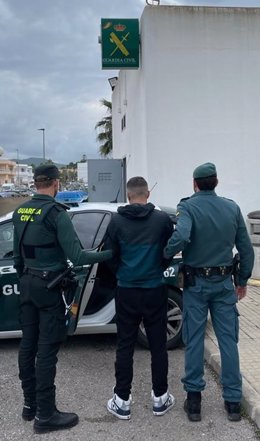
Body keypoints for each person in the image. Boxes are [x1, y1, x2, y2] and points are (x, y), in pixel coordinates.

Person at [12, 164, 112, 434]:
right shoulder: (57, 214)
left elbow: (17, 256)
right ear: (56, 184)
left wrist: (27, 278)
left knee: (27, 346)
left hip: (28, 285)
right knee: (46, 351)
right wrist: (108, 254)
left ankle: (30, 405)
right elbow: (78, 257)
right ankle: (46, 415)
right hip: (48, 289)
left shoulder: (21, 211)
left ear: (36, 183)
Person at [164, 162, 254, 422]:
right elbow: (246, 250)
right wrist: (243, 280)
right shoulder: (231, 208)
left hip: (196, 286)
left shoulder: (188, 207)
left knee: (193, 340)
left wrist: (165, 253)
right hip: (225, 284)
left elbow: (181, 237)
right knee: (228, 341)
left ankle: (194, 403)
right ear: (216, 182)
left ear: (195, 184)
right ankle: (233, 403)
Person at [103, 176, 175, 420]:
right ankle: (160, 398)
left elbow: (109, 256)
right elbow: (168, 251)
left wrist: (122, 272)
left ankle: (122, 400)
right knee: (158, 345)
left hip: (127, 290)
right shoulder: (162, 220)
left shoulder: (116, 221)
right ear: (147, 194)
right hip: (155, 289)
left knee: (125, 345)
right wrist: (158, 266)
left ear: (128, 194)